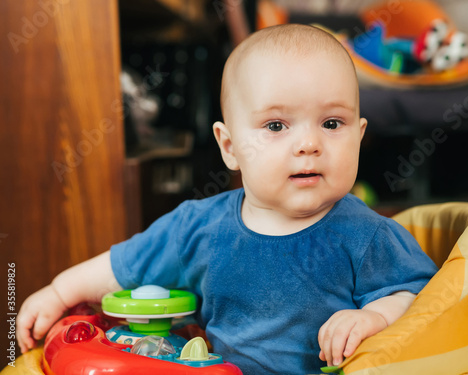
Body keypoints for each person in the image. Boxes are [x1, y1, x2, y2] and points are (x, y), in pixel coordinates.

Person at [17, 24, 437, 374]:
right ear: (230, 146)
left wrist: (376, 316)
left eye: (332, 122)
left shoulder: (369, 235)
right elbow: (124, 266)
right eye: (276, 125)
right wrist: (58, 292)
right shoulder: (197, 228)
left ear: (360, 136)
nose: (309, 143)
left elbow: (424, 299)